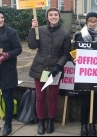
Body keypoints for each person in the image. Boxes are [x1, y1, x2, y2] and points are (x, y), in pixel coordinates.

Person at [28, 7, 71, 135]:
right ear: (47, 17)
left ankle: (51, 120)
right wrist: (32, 29)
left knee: (53, 97)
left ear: (59, 16)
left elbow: (66, 53)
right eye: (50, 15)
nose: (53, 17)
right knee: (40, 97)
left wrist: (58, 66)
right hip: (40, 69)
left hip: (54, 71)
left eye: (55, 14)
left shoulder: (65, 33)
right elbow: (32, 45)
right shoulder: (39, 30)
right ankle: (41, 120)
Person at [73, 12, 97, 136]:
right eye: (90, 21)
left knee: (96, 100)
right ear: (86, 22)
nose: (92, 23)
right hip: (85, 74)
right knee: (85, 99)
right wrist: (74, 59)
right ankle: (83, 124)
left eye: (95, 21)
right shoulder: (79, 35)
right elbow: (73, 51)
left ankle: (92, 124)